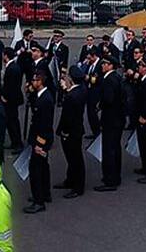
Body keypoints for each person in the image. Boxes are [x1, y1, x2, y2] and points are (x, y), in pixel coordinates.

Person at [24, 73, 54, 214]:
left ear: (40, 81)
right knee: (43, 166)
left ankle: (38, 201)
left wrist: (39, 143)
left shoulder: (46, 99)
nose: (32, 83)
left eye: (34, 80)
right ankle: (45, 193)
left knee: (35, 169)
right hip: (37, 136)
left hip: (41, 138)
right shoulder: (39, 95)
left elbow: (45, 124)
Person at [55, 66, 87, 198]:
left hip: (71, 132)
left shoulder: (71, 96)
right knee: (73, 158)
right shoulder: (81, 90)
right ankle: (70, 180)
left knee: (75, 159)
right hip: (77, 130)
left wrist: (64, 132)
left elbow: (68, 117)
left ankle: (78, 187)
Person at [96, 56, 123, 191]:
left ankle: (110, 180)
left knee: (109, 150)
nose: (102, 66)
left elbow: (109, 99)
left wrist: (100, 104)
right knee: (115, 148)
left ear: (110, 65)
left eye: (104, 64)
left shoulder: (108, 80)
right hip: (118, 119)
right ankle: (116, 175)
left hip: (110, 120)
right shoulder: (117, 77)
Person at [2, 49, 25, 154]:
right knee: (9, 121)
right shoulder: (12, 67)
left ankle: (18, 143)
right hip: (10, 99)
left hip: (11, 100)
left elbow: (12, 86)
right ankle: (14, 142)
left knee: (13, 121)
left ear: (6, 56)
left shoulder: (12, 68)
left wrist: (6, 97)